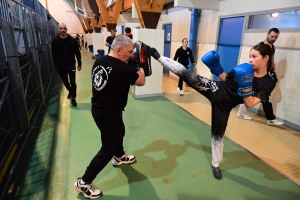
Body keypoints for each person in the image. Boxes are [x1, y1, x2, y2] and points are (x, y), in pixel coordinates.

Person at [150, 43, 275, 180]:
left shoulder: (268, 83)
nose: (250, 59)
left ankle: (216, 164)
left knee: (217, 136)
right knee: (188, 76)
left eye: (254, 56)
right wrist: (217, 69)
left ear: (266, 58)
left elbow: (250, 103)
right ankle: (157, 55)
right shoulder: (243, 69)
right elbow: (226, 80)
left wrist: (245, 88)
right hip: (215, 88)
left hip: (224, 106)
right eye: (250, 56)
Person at [74, 35, 147, 199]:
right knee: (108, 147)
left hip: (101, 109)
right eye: (129, 52)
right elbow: (141, 81)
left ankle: (119, 157)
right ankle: (84, 182)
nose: (131, 54)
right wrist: (139, 64)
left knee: (119, 132)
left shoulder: (100, 61)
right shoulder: (123, 69)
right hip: (108, 113)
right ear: (119, 50)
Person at [236, 28, 284, 126]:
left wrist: (273, 71)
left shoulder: (273, 48)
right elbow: (253, 59)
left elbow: (271, 60)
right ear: (267, 35)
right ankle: (241, 113)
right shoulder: (259, 46)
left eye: (276, 37)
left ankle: (270, 118)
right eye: (272, 36)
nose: (274, 38)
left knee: (266, 97)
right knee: (248, 92)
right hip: (255, 74)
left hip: (265, 75)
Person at [51, 23, 81, 106]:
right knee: (65, 81)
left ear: (66, 29)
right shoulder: (55, 41)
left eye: (64, 28)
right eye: (61, 28)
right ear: (58, 29)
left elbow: (77, 52)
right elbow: (54, 54)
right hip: (60, 66)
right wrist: (56, 64)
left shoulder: (72, 40)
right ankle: (70, 91)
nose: (62, 30)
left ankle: (74, 98)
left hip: (71, 64)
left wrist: (79, 63)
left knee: (72, 82)